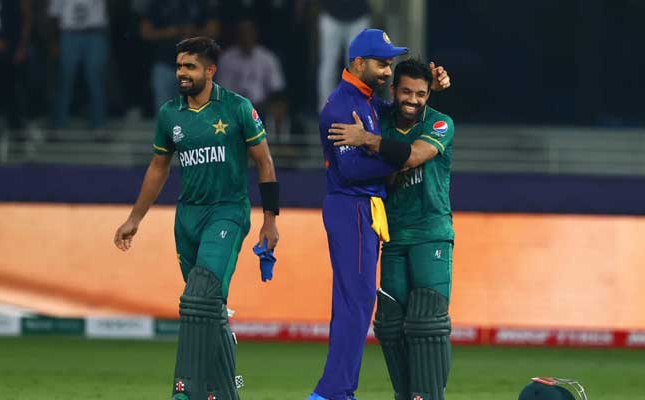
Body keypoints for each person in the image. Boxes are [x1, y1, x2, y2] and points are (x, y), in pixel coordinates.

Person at [113, 37, 279, 400]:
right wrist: (135, 218)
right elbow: (158, 168)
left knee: (199, 294)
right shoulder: (170, 114)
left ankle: (184, 389)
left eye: (189, 67)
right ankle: (224, 392)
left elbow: (265, 162)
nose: (181, 73)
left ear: (210, 70)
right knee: (208, 308)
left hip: (227, 213)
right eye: (178, 66)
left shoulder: (237, 108)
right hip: (187, 218)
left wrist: (270, 219)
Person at [309, 29, 450, 400]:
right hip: (353, 206)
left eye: (390, 64)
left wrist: (432, 89)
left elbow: (408, 108)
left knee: (354, 302)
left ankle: (335, 389)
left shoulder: (367, 102)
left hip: (362, 210)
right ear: (358, 63)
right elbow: (352, 170)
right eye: (382, 63)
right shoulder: (344, 106)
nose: (388, 71)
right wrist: (393, 167)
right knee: (356, 302)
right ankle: (334, 391)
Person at [140, 0, 220, 112]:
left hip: (196, 65)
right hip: (165, 64)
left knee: (198, 114)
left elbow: (214, 30)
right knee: (166, 114)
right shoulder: (157, 3)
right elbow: (145, 32)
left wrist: (193, 32)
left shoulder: (202, 3)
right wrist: (171, 32)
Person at [216, 18, 288, 141]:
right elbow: (222, 91)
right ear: (237, 35)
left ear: (255, 34)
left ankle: (276, 147)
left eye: (249, 32)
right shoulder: (226, 59)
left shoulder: (267, 58)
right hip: (234, 108)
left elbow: (277, 89)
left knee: (278, 108)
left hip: (262, 107)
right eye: (243, 32)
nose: (246, 36)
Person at [48, 0, 108, 132]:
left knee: (96, 80)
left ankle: (99, 125)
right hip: (69, 34)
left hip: (95, 33)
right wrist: (54, 41)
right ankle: (59, 125)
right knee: (64, 80)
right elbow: (54, 14)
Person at [316, 0, 370, 112]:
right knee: (329, 64)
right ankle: (325, 108)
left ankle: (358, 108)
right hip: (331, 14)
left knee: (357, 65)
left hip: (358, 15)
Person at [0, 0, 31, 140]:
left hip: (11, 48)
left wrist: (22, 47)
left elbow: (26, 17)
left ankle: (17, 133)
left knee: (13, 91)